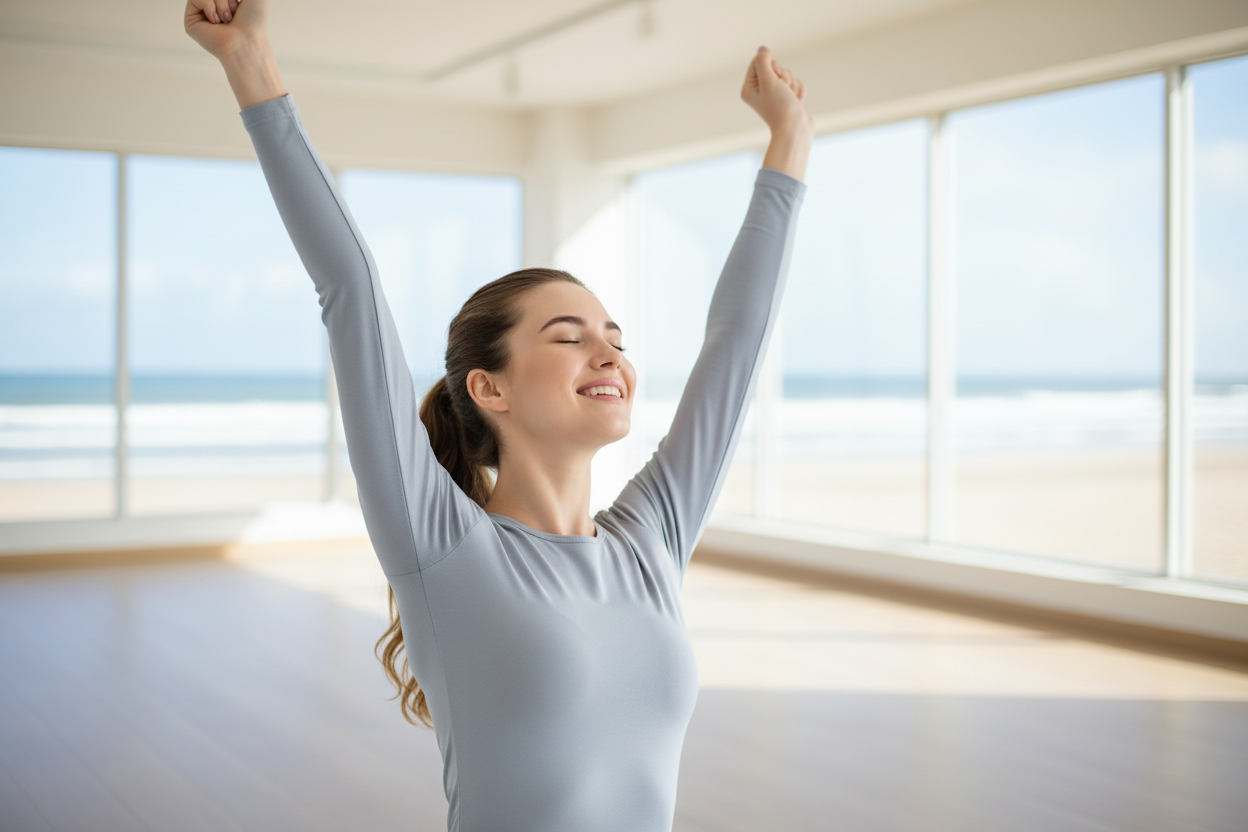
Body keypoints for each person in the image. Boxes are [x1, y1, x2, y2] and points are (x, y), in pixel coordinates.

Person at [185, 1, 812, 829]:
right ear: (491, 387)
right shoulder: (444, 546)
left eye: (614, 338)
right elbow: (352, 291)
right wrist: (250, 63)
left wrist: (790, 143)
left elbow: (735, 343)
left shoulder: (651, 543)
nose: (609, 355)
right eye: (569, 336)